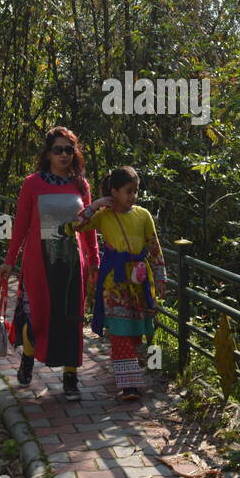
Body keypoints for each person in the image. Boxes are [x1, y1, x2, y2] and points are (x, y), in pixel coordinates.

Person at [0, 127, 99, 400]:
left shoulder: (81, 185)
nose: (64, 155)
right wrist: (9, 260)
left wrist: (94, 260)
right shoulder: (32, 183)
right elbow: (20, 225)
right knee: (37, 317)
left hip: (70, 264)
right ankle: (28, 359)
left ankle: (70, 378)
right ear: (47, 153)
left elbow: (89, 226)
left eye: (69, 149)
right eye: (58, 149)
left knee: (71, 319)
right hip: (38, 263)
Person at [60, 166, 166, 401]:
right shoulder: (104, 215)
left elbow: (154, 248)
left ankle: (126, 372)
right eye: (128, 191)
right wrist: (96, 204)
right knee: (119, 331)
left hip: (139, 283)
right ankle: (129, 386)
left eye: (136, 191)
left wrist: (160, 277)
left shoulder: (143, 215)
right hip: (114, 284)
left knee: (136, 332)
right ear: (114, 191)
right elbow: (74, 226)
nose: (133, 196)